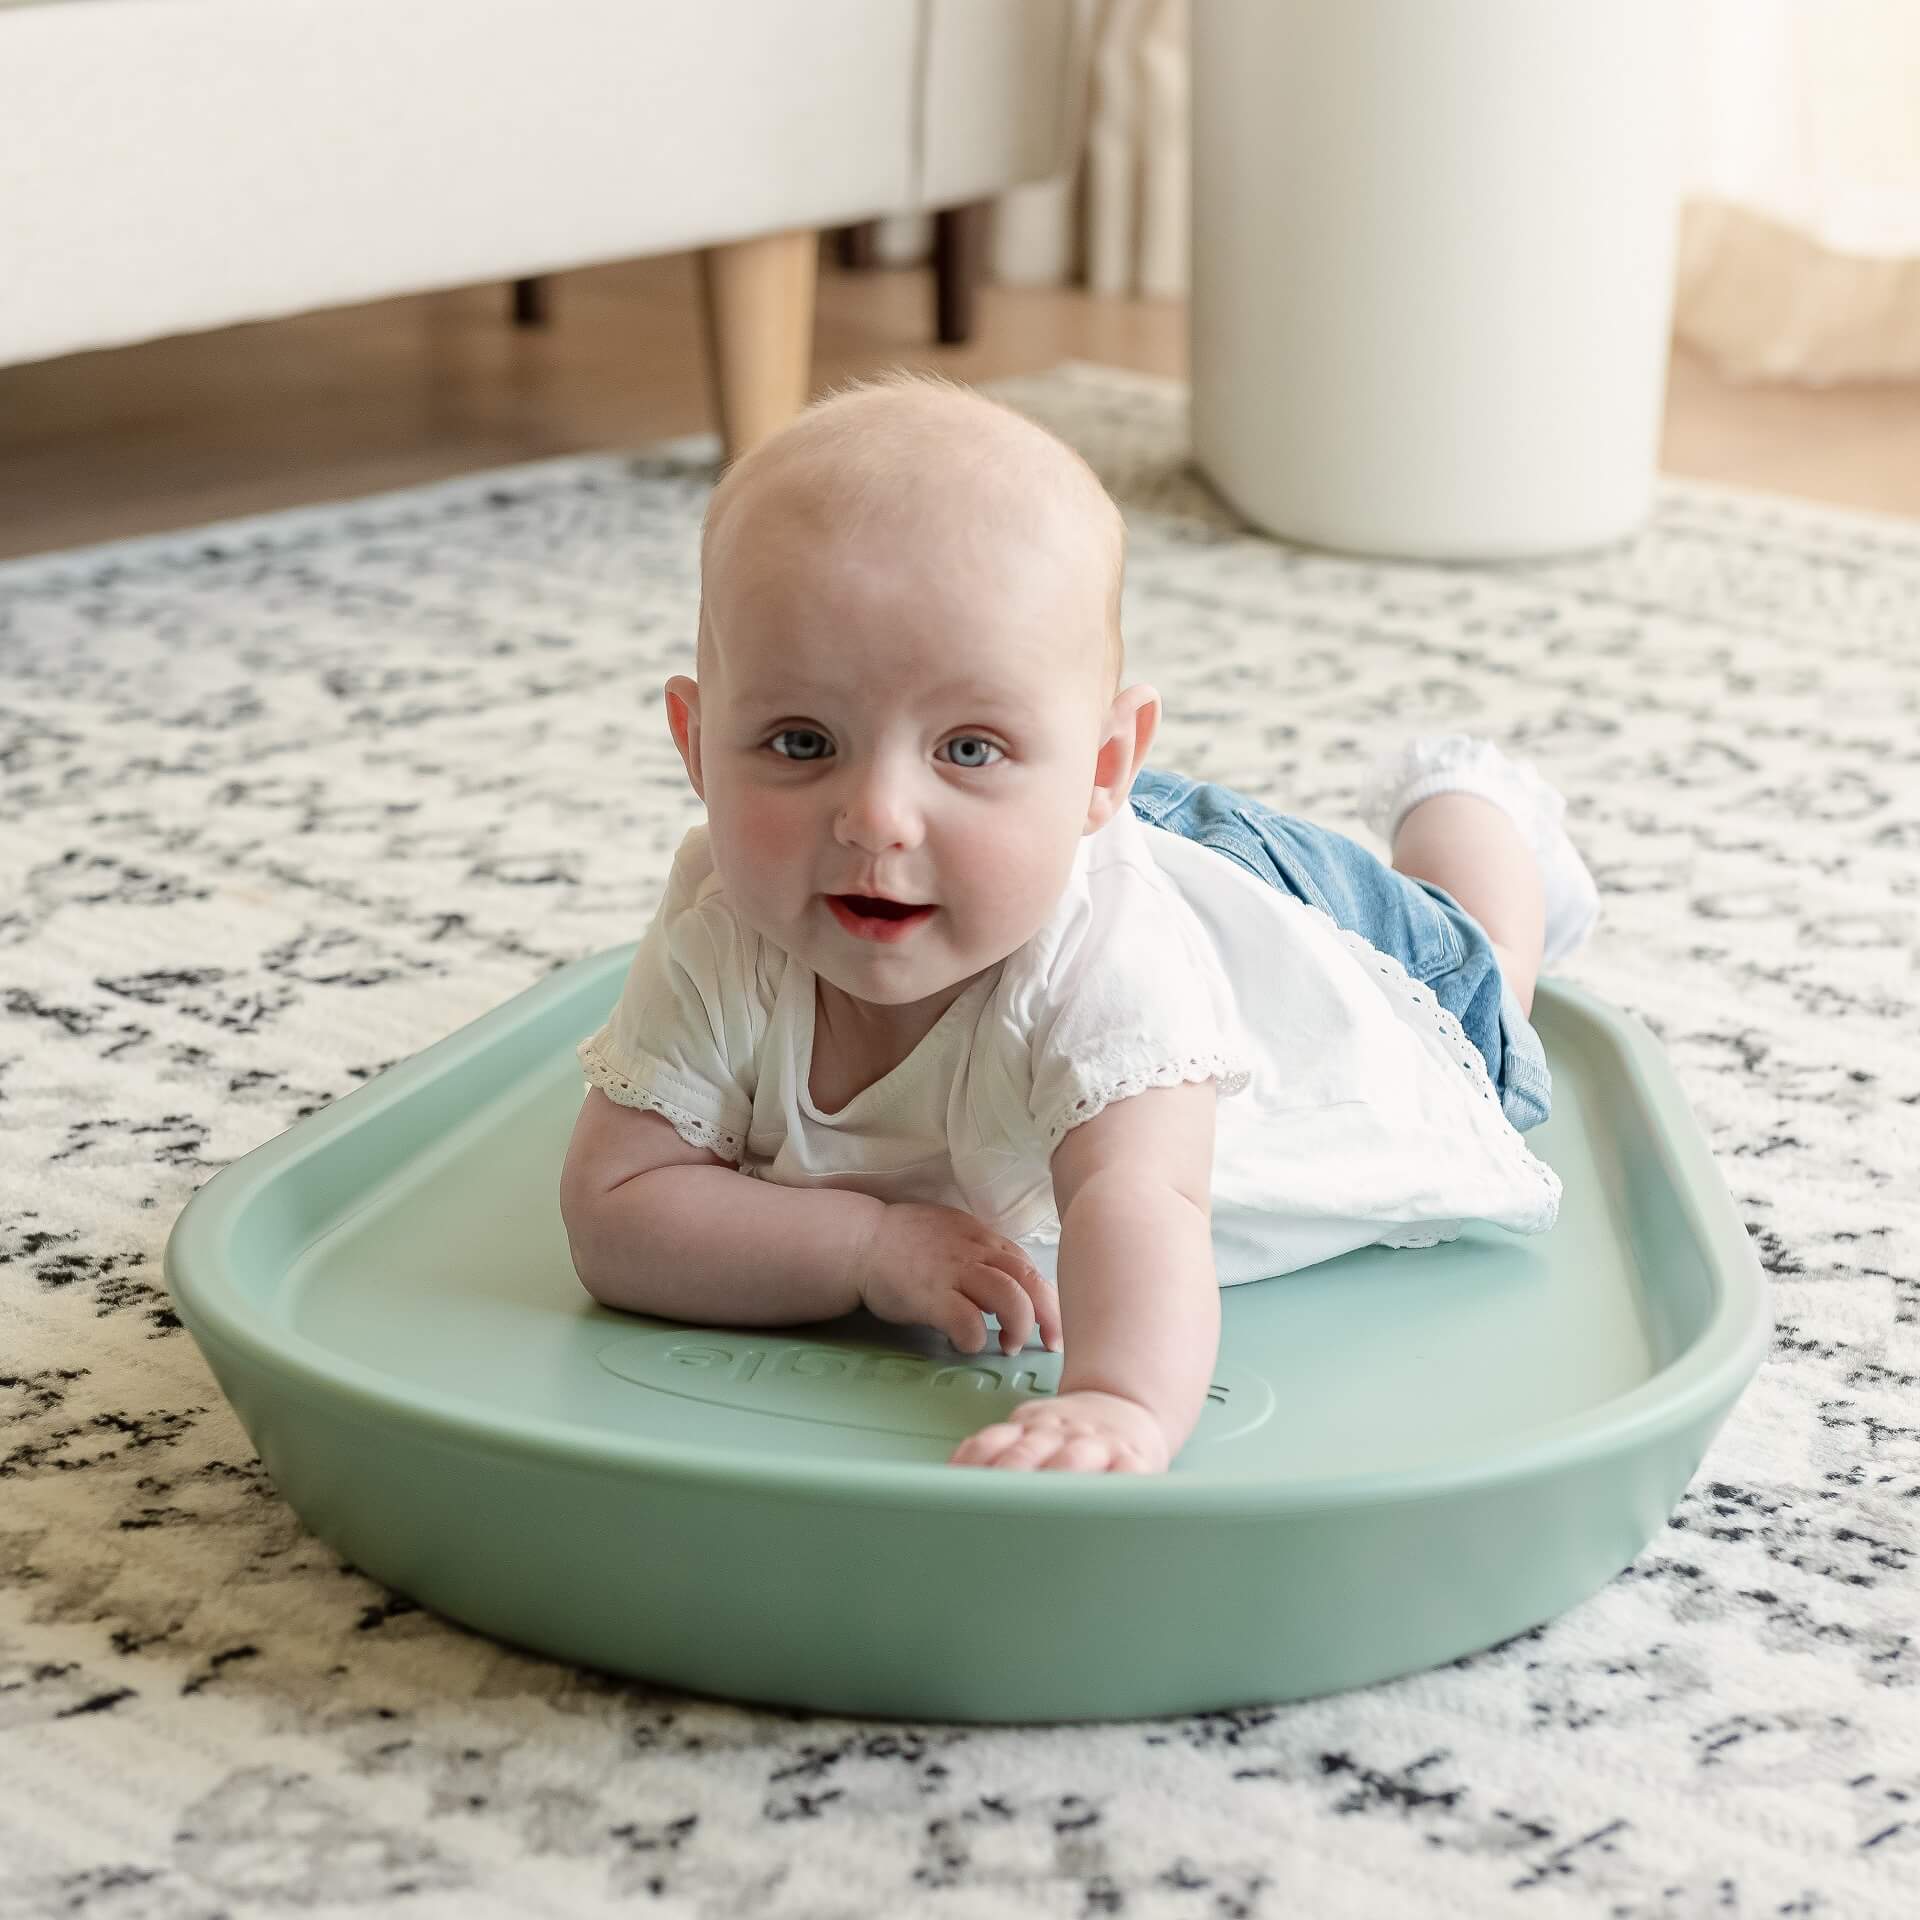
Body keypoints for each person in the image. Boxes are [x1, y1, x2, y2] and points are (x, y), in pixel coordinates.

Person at [559, 375, 1599, 1475]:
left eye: (966, 746)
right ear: (695, 742)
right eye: (802, 741)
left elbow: (1139, 1198)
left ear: (1106, 767)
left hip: (1274, 922)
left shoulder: (1107, 964)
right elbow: (617, 1211)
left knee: (1484, 1004)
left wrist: (1117, 1403)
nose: (875, 820)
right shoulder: (729, 912)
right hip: (1026, 832)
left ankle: (1480, 814)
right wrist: (867, 1245)